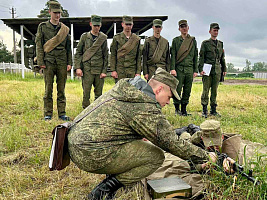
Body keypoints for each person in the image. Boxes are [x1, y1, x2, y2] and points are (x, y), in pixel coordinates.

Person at [68, 68, 222, 200]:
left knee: (140, 144)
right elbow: (172, 143)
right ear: (159, 89)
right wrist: (206, 156)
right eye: (169, 96)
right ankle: (104, 190)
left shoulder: (130, 90)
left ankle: (110, 178)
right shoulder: (144, 106)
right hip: (90, 154)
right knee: (155, 156)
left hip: (76, 144)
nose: (169, 102)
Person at [35, 1, 72, 121]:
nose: (57, 15)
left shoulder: (64, 29)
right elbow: (39, 45)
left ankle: (62, 113)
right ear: (49, 12)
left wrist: (69, 63)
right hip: (48, 62)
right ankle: (48, 113)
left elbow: (68, 48)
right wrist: (41, 62)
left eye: (59, 13)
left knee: (61, 89)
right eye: (55, 13)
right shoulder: (43, 27)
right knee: (48, 89)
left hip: (62, 61)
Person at [74, 15, 108, 109]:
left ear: (100, 25)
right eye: (95, 25)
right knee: (86, 93)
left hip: (99, 69)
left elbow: (106, 56)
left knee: (99, 94)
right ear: (90, 24)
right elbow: (78, 53)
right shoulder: (84, 37)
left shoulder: (103, 38)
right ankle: (85, 111)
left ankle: (96, 111)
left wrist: (104, 71)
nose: (96, 28)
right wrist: (78, 67)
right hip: (87, 70)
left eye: (98, 26)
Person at [198, 23, 227, 118]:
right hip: (207, 69)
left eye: (217, 30)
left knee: (214, 90)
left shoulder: (220, 44)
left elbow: (222, 58)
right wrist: (200, 69)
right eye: (214, 30)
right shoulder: (205, 43)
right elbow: (201, 57)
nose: (216, 32)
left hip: (217, 70)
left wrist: (224, 69)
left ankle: (213, 110)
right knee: (205, 90)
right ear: (210, 31)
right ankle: (204, 110)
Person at [170, 20, 198, 116]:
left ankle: (184, 109)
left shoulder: (192, 40)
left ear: (188, 27)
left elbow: (195, 56)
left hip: (189, 69)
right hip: (179, 69)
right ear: (179, 29)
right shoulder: (176, 41)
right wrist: (172, 68)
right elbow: (172, 55)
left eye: (185, 26)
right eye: (182, 27)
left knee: (187, 89)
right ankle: (177, 109)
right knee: (177, 89)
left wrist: (195, 70)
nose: (184, 28)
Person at [110, 15, 141, 83]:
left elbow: (138, 57)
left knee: (131, 92)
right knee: (119, 92)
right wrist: (113, 70)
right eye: (126, 24)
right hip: (120, 70)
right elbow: (113, 55)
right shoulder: (117, 38)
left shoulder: (136, 39)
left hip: (132, 71)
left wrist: (138, 72)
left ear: (132, 25)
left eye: (130, 24)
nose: (128, 26)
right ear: (122, 24)